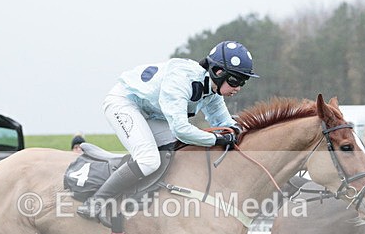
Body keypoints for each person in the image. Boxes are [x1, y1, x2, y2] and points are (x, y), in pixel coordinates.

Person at [77, 40, 258, 223]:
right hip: (124, 103)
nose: (238, 87)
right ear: (218, 72)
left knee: (176, 152)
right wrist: (216, 139)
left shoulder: (212, 91)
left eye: (243, 82)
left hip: (150, 112)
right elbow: (181, 130)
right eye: (235, 80)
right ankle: (96, 202)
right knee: (148, 160)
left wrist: (240, 130)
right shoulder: (182, 80)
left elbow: (225, 123)